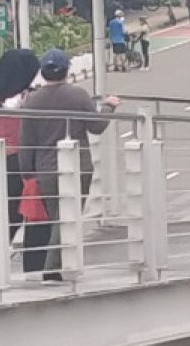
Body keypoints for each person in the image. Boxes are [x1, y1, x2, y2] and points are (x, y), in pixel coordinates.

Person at [18, 49, 120, 282]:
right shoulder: (78, 95)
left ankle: (52, 266)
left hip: (45, 170)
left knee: (57, 216)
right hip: (78, 166)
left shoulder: (31, 101)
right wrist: (109, 106)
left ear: (43, 73)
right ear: (66, 70)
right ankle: (52, 268)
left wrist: (27, 174)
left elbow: (26, 142)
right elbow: (96, 127)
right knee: (68, 216)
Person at [0, 49, 40, 246]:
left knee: (8, 210)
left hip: (1, 157)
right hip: (23, 157)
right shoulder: (27, 98)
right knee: (25, 208)